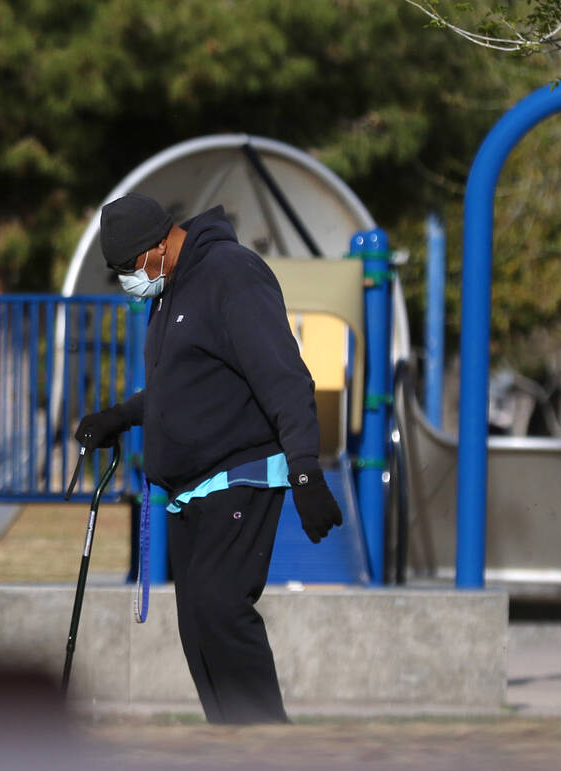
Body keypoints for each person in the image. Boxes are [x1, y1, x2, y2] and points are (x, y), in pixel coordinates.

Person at [74, 192, 344, 724]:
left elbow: (284, 376)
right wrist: (121, 416)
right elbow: (188, 388)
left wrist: (306, 470)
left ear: (157, 247)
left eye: (129, 267)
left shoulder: (232, 275)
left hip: (239, 473)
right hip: (189, 490)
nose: (130, 279)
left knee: (221, 610)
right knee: (197, 626)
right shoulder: (169, 292)